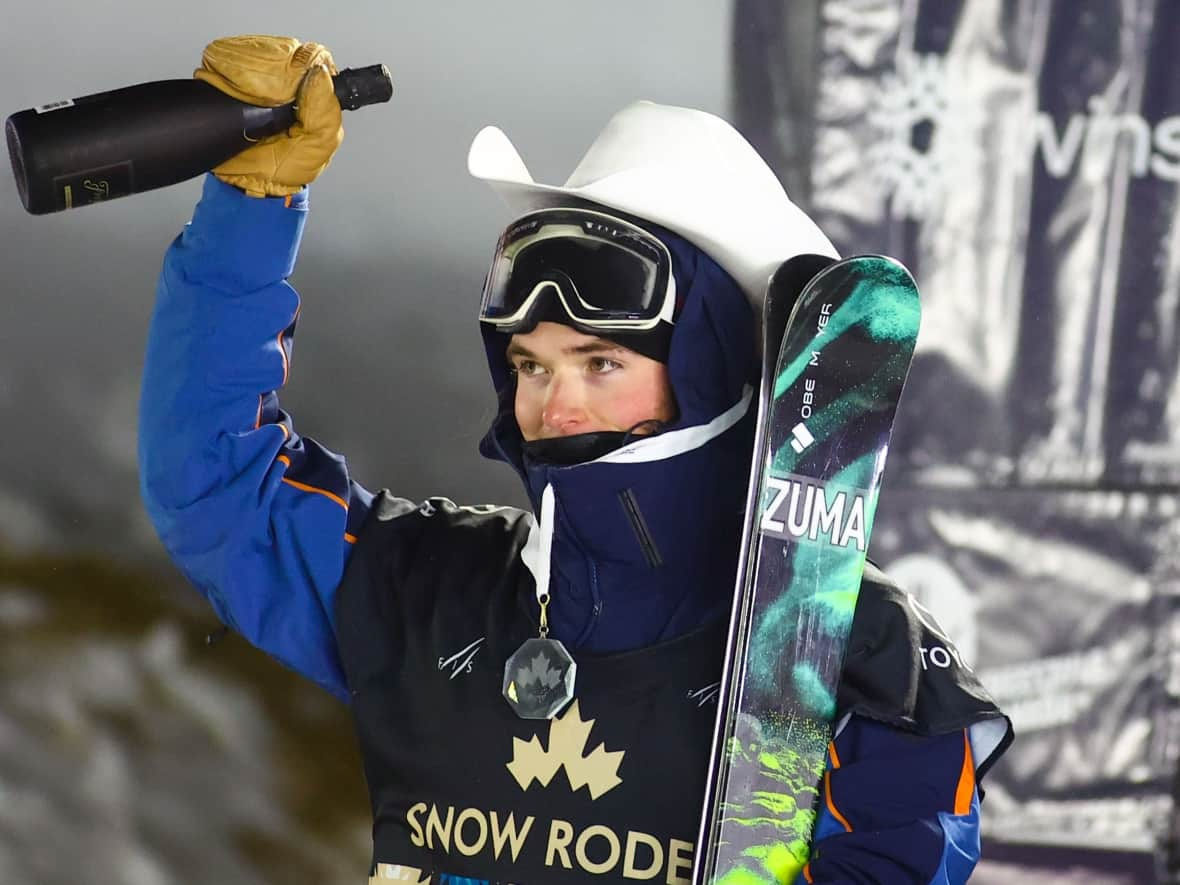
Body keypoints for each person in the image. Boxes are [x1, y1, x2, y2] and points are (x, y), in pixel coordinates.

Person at [138, 35, 1013, 885]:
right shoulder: (427, 589)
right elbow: (213, 481)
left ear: (712, 370)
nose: (555, 404)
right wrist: (250, 208)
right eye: (529, 365)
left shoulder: (865, 661)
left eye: (601, 363)